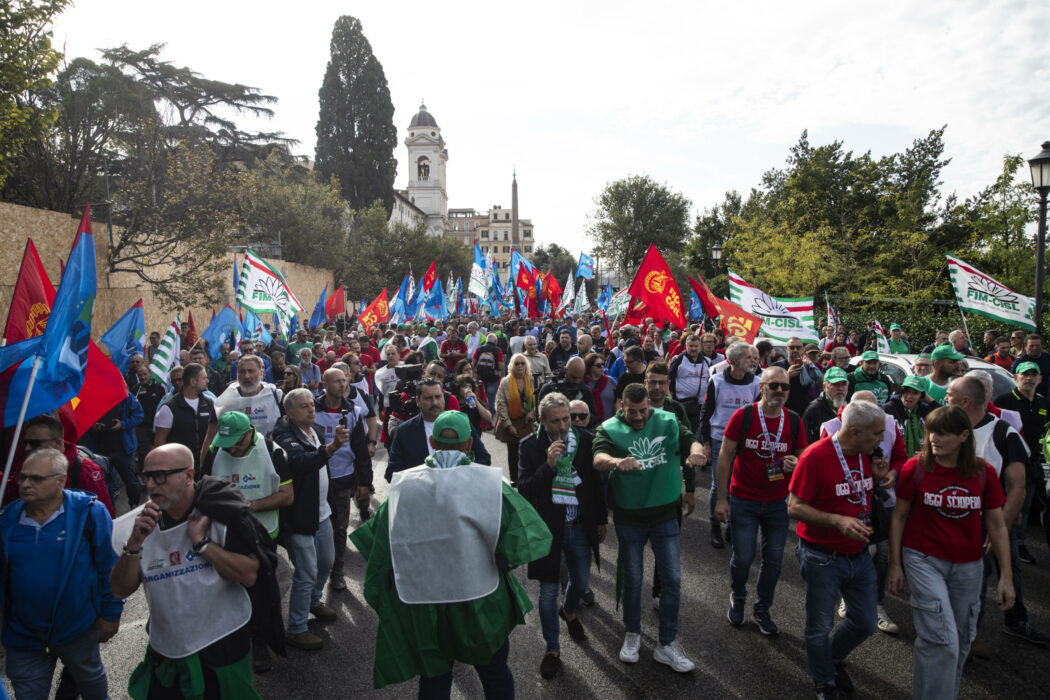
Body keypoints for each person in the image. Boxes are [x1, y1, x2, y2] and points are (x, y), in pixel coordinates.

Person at [349, 411, 553, 696]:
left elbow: (380, 545)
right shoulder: (492, 484)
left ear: (432, 441)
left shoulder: (402, 485)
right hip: (478, 595)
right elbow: (527, 538)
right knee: (493, 672)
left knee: (434, 677)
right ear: (470, 444)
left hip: (422, 600)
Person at [110, 444, 263, 698]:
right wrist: (134, 544)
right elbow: (119, 589)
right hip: (167, 649)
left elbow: (248, 574)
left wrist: (202, 544)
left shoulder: (222, 514)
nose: (150, 485)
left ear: (189, 475)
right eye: (146, 476)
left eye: (160, 476)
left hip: (221, 644)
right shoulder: (136, 524)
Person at [887, 406, 1015, 700]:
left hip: (969, 565)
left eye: (942, 433)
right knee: (941, 640)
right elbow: (899, 517)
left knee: (962, 641)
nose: (933, 438)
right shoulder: (914, 468)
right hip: (923, 559)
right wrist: (896, 564)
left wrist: (1006, 577)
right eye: (931, 431)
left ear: (963, 436)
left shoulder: (984, 472)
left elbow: (996, 524)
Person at [593, 383, 707, 673]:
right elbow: (598, 458)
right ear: (622, 407)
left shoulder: (667, 420)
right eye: (632, 412)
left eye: (643, 410)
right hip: (629, 517)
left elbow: (690, 440)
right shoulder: (608, 427)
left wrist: (696, 453)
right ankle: (632, 634)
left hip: (665, 514)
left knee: (672, 579)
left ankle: (666, 644)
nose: (639, 416)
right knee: (633, 578)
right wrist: (617, 461)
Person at [787, 401, 893, 699]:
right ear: (855, 431)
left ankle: (829, 659)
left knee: (865, 622)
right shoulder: (815, 457)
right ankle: (824, 681)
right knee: (818, 626)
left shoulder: (866, 454)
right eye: (876, 434)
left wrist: (881, 474)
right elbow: (794, 507)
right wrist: (837, 521)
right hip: (822, 556)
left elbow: (862, 491)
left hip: (859, 555)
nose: (880, 439)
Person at [0, 448, 121, 700]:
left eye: (36, 478)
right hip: (23, 635)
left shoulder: (89, 513)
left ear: (60, 481)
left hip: (77, 627)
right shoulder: (7, 521)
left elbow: (109, 567)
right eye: (22, 477)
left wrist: (111, 614)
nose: (25, 484)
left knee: (90, 682)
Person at [517, 393, 606, 679]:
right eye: (556, 421)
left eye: (567, 418)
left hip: (579, 525)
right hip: (548, 530)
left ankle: (568, 611)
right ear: (542, 421)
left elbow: (595, 484)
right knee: (547, 592)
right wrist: (549, 466)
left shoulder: (586, 440)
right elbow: (525, 489)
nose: (564, 426)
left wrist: (602, 519)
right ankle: (552, 649)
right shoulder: (530, 446)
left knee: (580, 584)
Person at [715, 366, 808, 636]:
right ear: (761, 388)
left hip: (778, 502)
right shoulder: (743, 416)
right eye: (773, 385)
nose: (779, 390)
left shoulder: (793, 420)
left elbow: (804, 457)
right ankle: (738, 594)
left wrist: (797, 462)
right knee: (743, 557)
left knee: (774, 561)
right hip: (744, 499)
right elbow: (725, 457)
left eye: (784, 386)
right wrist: (721, 500)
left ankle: (762, 609)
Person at [200, 411, 293, 673]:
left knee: (260, 591)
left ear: (249, 432)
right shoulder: (216, 451)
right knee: (226, 588)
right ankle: (229, 637)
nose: (232, 450)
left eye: (237, 444)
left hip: (263, 534)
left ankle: (260, 640)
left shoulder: (273, 451)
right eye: (226, 445)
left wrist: (248, 506)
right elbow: (201, 490)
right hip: (225, 534)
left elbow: (287, 496)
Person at [270, 389, 345, 651]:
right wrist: (332, 448)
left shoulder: (315, 431)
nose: (311, 409)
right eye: (303, 407)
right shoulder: (282, 435)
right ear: (289, 412)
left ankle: (314, 601)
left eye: (311, 405)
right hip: (299, 516)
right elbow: (299, 463)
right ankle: (297, 628)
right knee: (305, 572)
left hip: (321, 512)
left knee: (326, 562)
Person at [313, 368, 373, 590]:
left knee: (339, 527)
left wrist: (364, 482)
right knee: (316, 528)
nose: (341, 384)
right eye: (336, 381)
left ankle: (337, 571)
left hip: (342, 478)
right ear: (324, 384)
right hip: (316, 478)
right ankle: (316, 571)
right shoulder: (312, 409)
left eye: (343, 380)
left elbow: (360, 449)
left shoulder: (354, 412)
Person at [701, 342, 761, 548]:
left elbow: (757, 413)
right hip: (720, 439)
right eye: (748, 358)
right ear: (734, 360)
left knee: (740, 484)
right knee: (719, 485)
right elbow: (706, 412)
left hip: (746, 442)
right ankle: (715, 525)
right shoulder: (716, 381)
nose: (753, 361)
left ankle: (732, 526)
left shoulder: (756, 383)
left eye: (754, 358)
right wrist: (706, 442)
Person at [995, 361, 1050, 565]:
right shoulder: (1004, 401)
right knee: (1007, 503)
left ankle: (1018, 543)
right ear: (1016, 377)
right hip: (1009, 462)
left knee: (1026, 506)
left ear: (1040, 379)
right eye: (1024, 374)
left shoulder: (1044, 404)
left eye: (1033, 375)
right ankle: (1002, 540)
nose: (1028, 378)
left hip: (1035, 463)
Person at [4, 415, 114, 515]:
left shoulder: (84, 469)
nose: (27, 448)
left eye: (35, 443)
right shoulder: (23, 464)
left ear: (57, 443)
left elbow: (104, 516)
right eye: (25, 443)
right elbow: (10, 498)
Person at [387, 377, 491, 482]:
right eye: (428, 398)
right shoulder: (404, 432)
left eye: (438, 397)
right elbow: (392, 472)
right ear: (418, 401)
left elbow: (484, 458)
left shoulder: (462, 422)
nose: (434, 403)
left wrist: (462, 476)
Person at [153, 362, 218, 469]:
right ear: (193, 382)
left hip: (206, 466)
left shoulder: (210, 403)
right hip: (179, 467)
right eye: (204, 378)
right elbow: (159, 441)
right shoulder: (168, 408)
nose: (207, 381)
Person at [85, 392, 144, 507]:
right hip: (100, 450)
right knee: (106, 484)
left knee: (130, 479)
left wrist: (123, 424)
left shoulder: (125, 395)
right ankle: (110, 512)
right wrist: (93, 426)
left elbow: (139, 416)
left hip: (122, 448)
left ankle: (135, 504)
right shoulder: (90, 396)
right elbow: (82, 419)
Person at [214, 355, 284, 437]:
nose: (246, 376)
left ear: (261, 373)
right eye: (242, 372)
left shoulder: (276, 395)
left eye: (251, 371)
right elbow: (213, 431)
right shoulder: (225, 398)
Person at [495, 354, 537, 486]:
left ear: (526, 366)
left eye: (522, 363)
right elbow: (500, 405)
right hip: (511, 422)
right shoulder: (506, 381)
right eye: (517, 363)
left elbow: (540, 398)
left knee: (528, 450)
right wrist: (508, 425)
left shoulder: (532, 379)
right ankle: (514, 478)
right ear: (512, 366)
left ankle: (526, 476)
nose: (520, 366)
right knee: (513, 452)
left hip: (528, 422)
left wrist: (533, 412)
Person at [668, 333, 711, 435]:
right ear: (686, 346)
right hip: (680, 403)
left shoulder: (707, 361)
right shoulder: (678, 360)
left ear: (700, 347)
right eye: (691, 346)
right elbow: (670, 379)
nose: (693, 349)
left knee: (695, 433)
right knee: (680, 432)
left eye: (696, 346)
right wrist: (672, 397)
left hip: (699, 406)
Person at [802, 367, 850, 444]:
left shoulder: (851, 408)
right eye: (835, 384)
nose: (840, 388)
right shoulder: (814, 410)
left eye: (843, 384)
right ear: (824, 387)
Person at [472, 333, 504, 411]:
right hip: (493, 378)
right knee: (491, 399)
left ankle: (481, 414)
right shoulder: (498, 350)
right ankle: (490, 417)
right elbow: (500, 366)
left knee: (481, 398)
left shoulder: (479, 349)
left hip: (480, 377)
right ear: (495, 341)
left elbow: (473, 363)